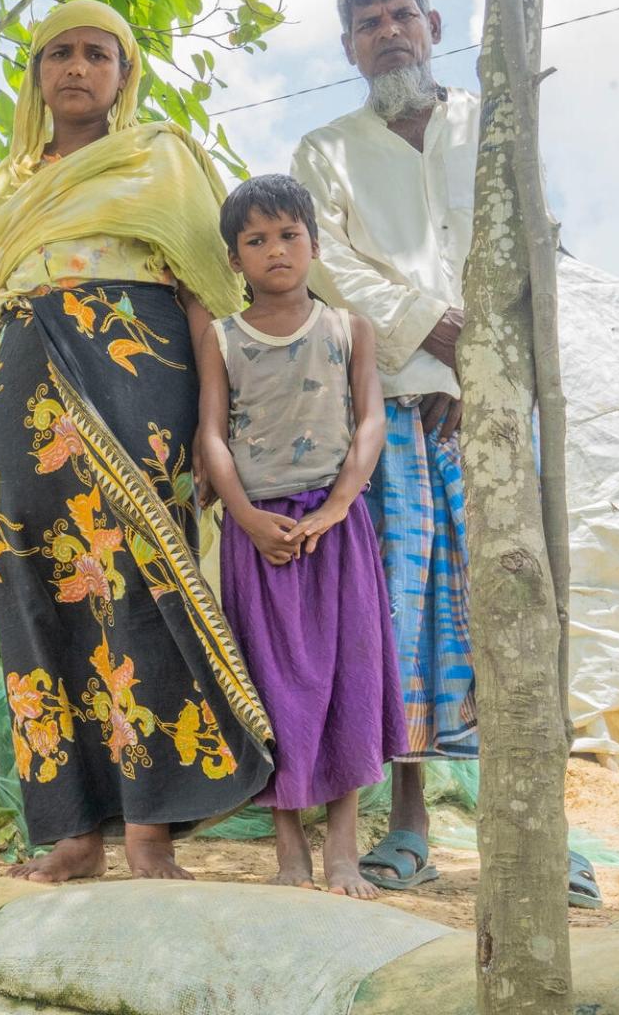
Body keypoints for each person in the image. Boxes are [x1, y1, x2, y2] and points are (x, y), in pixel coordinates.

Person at [292, 0, 599, 906]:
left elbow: (530, 240)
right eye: (368, 22)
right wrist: (439, 334)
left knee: (517, 607)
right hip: (385, 407)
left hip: (497, 410)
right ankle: (409, 828)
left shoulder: (492, 125)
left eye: (400, 15)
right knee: (400, 617)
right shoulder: (324, 151)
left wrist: (494, 362)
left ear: (431, 24)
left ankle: (550, 835)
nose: (388, 32)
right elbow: (330, 268)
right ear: (348, 46)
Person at [0, 0, 274, 883]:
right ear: (34, 74)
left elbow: (207, 298)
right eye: (57, 53)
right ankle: (71, 833)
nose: (76, 67)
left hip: (138, 372)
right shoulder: (5, 182)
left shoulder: (163, 158)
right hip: (19, 380)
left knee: (139, 582)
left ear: (124, 71)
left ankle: (149, 830)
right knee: (31, 591)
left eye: (96, 54)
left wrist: (213, 432)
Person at [195, 173, 405, 897]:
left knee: (349, 676)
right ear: (235, 259)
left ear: (314, 244)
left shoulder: (350, 328)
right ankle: (289, 853)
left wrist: (339, 505)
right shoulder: (222, 338)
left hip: (336, 530)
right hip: (259, 535)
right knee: (269, 683)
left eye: (289, 235)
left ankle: (343, 850)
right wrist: (245, 517)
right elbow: (212, 437)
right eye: (255, 240)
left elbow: (370, 420)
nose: (275, 250)